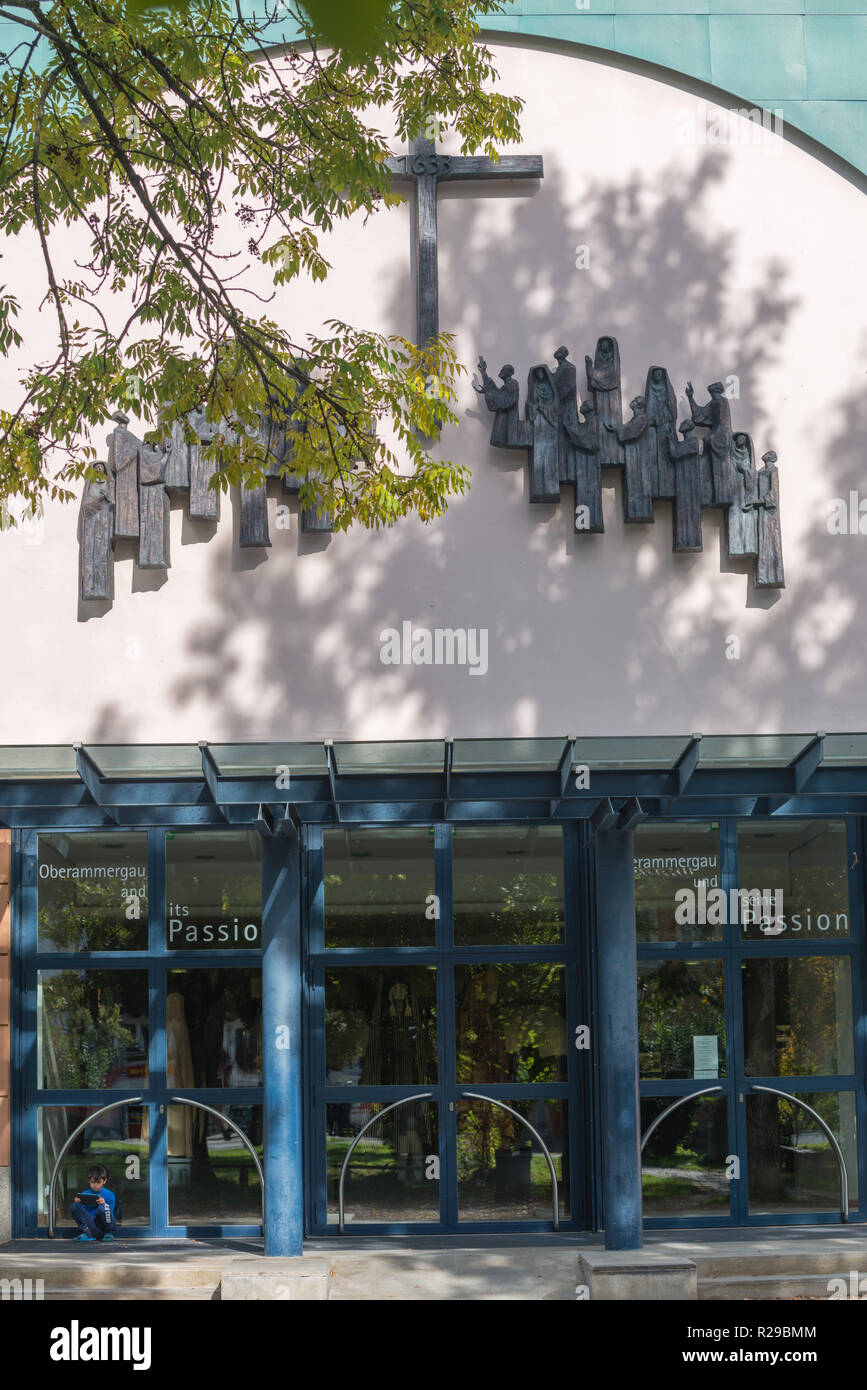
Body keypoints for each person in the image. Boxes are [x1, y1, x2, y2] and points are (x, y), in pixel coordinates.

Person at [70, 1165, 117, 1242]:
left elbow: (110, 1213)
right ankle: (86, 1233)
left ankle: (108, 1233)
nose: (95, 1185)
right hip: (90, 1225)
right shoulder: (85, 1193)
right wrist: (77, 1202)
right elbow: (81, 1213)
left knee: (103, 1207)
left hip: (103, 1225)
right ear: (89, 1181)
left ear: (104, 1181)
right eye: (92, 1182)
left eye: (98, 1182)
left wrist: (104, 1204)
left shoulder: (110, 1194)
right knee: (75, 1206)